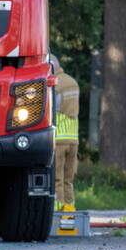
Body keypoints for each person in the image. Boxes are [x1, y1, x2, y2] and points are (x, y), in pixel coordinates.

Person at [52, 56, 80, 212]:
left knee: (57, 178)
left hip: (59, 137)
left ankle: (57, 209)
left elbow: (54, 109)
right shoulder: (73, 82)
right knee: (69, 179)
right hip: (73, 137)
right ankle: (70, 208)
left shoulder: (55, 83)